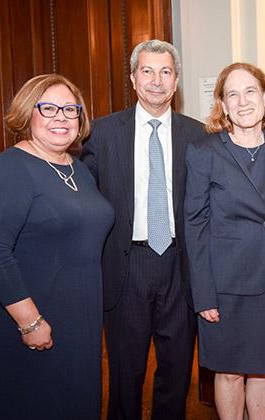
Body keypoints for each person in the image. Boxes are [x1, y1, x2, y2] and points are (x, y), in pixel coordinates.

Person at [0, 74, 114, 419]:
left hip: (76, 316)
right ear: (27, 113)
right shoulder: (8, 169)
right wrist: (30, 323)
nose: (60, 117)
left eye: (70, 109)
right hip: (25, 315)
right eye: (48, 108)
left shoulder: (77, 169)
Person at [80, 40, 204, 420]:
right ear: (133, 79)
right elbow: (83, 205)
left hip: (181, 267)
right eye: (147, 71)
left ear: (176, 80)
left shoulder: (199, 136)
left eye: (165, 72)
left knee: (177, 371)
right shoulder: (99, 134)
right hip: (124, 266)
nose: (156, 80)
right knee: (124, 372)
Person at [184, 62, 265, 420]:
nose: (243, 101)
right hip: (225, 286)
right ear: (222, 104)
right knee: (229, 371)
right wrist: (203, 294)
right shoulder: (204, 151)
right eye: (232, 94)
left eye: (250, 91)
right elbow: (195, 224)